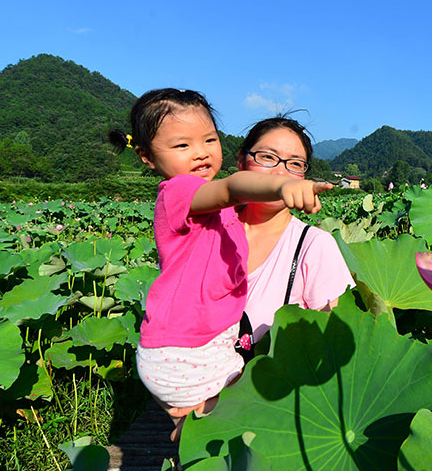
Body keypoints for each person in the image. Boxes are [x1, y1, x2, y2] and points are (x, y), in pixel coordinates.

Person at [109, 89, 332, 440]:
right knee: (233, 418)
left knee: (216, 422)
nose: (200, 152)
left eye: (209, 140)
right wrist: (281, 186)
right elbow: (232, 189)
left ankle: (190, 435)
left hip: (197, 347)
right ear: (146, 156)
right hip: (186, 350)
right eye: (182, 145)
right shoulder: (179, 192)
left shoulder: (306, 241)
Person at [235, 116, 355, 350]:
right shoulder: (207, 229)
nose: (281, 173)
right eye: (267, 157)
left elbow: (332, 345)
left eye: (295, 164)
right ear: (241, 160)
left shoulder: (314, 245)